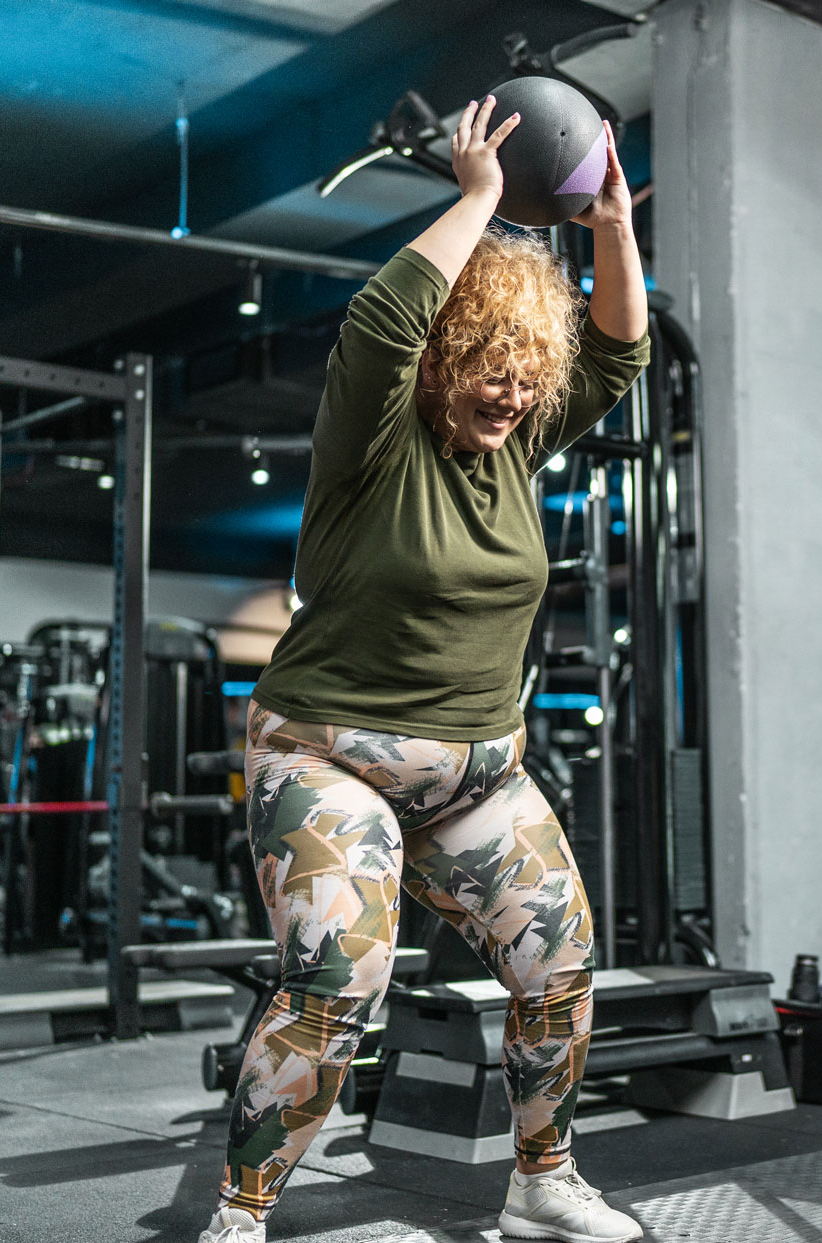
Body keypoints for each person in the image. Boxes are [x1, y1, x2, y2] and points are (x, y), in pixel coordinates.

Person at [198, 95, 649, 1243]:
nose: (513, 391)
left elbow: (619, 351)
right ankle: (243, 1214)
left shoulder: (520, 446)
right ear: (447, 362)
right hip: (328, 753)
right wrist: (483, 198)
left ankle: (542, 1182)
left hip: (476, 777)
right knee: (340, 981)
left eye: (525, 374)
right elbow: (384, 316)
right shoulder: (376, 435)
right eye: (491, 368)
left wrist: (611, 226)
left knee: (562, 965)